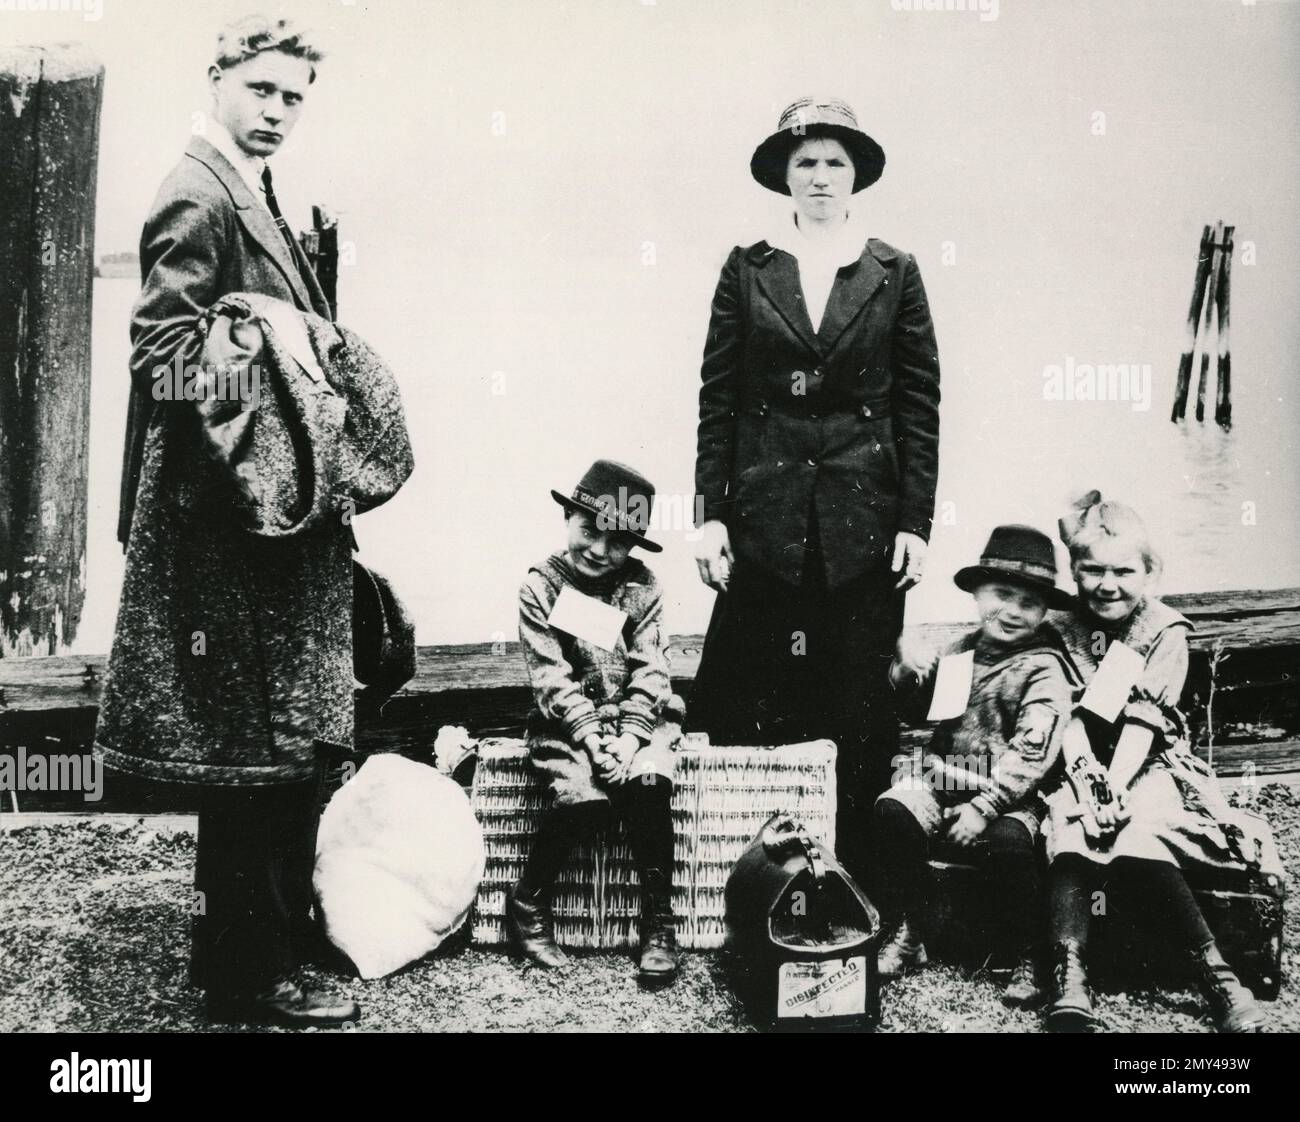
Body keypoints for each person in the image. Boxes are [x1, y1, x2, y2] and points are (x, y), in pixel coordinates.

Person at [93, 15, 359, 1027]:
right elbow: (161, 353)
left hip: (262, 519)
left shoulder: (257, 190)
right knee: (239, 751)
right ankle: (247, 972)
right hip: (219, 521)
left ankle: (268, 943)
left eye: (295, 98)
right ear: (219, 80)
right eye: (263, 91)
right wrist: (277, 366)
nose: (278, 113)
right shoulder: (196, 191)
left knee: (269, 743)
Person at [689, 97, 941, 881]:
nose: (821, 176)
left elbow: (919, 404)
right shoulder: (748, 265)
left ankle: (855, 877)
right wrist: (710, 518)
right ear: (785, 177)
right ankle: (733, 874)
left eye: (835, 162)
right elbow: (719, 397)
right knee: (740, 692)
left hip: (863, 522)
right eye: (807, 163)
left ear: (856, 172)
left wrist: (915, 522)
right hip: (765, 518)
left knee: (859, 699)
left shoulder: (894, 271)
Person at [1042, 492, 1267, 1033]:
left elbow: (1145, 722)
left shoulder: (1164, 631)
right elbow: (1066, 715)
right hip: (1076, 761)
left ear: (1149, 571)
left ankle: (1217, 977)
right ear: (1074, 570)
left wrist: (1115, 787)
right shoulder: (1057, 626)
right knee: (1073, 832)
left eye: (1123, 570)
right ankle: (1069, 976)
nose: (1107, 584)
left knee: (1140, 830)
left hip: (1146, 762)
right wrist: (1090, 785)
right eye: (1092, 570)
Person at [874, 525, 1077, 1008]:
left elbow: (1032, 754)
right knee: (892, 813)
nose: (1011, 611)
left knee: (1008, 846)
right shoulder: (960, 652)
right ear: (977, 594)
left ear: (1044, 611)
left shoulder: (1045, 668)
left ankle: (1028, 950)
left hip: (1009, 793)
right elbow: (919, 710)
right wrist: (903, 673)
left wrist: (985, 807)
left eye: (1028, 603)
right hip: (944, 779)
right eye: (1000, 595)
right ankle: (915, 928)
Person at [508, 460, 684, 987]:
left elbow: (651, 668)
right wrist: (590, 738)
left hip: (641, 721)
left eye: (617, 542)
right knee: (584, 798)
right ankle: (528, 903)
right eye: (588, 531)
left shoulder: (644, 588)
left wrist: (631, 739)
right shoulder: (540, 587)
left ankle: (660, 921)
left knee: (649, 784)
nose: (599, 551)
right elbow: (551, 677)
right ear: (568, 517)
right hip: (567, 727)